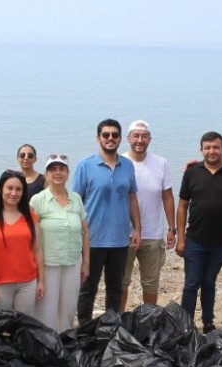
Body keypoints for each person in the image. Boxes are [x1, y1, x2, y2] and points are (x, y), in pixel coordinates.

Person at [72, 119, 140, 325]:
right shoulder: (85, 166)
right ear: (98, 138)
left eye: (114, 135)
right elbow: (75, 202)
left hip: (120, 240)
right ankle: (84, 329)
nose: (110, 138)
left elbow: (132, 198)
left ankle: (110, 329)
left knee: (115, 289)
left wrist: (137, 228)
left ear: (120, 139)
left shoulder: (127, 166)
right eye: (106, 135)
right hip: (92, 240)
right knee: (87, 289)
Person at [176, 131, 222, 333]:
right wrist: (180, 238)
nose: (212, 151)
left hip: (221, 242)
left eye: (216, 147)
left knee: (208, 282)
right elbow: (182, 206)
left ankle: (208, 322)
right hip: (194, 239)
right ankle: (185, 325)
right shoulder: (192, 172)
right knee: (191, 283)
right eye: (207, 147)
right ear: (201, 149)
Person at [30, 156, 90, 332]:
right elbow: (31, 237)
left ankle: (65, 346)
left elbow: (85, 231)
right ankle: (47, 347)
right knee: (45, 311)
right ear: (46, 174)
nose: (58, 172)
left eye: (62, 169)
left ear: (67, 173)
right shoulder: (37, 200)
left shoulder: (76, 198)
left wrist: (86, 262)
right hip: (48, 264)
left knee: (69, 309)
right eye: (53, 169)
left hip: (72, 262)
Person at [120, 120, 175, 311]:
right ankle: (117, 322)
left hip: (152, 234)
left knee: (150, 282)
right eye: (135, 136)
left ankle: (149, 320)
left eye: (144, 136)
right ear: (128, 138)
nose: (139, 140)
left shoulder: (161, 163)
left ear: (149, 139)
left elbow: (167, 196)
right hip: (123, 234)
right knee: (121, 282)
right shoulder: (120, 162)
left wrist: (172, 228)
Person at [0, 170, 44, 317]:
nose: (14, 193)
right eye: (10, 188)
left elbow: (37, 249)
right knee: (0, 328)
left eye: (18, 189)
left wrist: (41, 281)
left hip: (27, 282)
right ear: (1, 189)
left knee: (23, 327)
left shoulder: (31, 217)